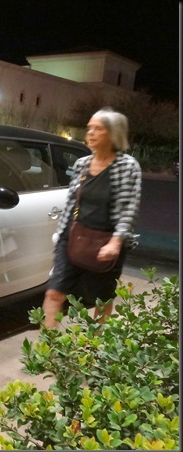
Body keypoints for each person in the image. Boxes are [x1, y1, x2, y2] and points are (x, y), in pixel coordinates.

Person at [42, 107, 142, 329]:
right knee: (54, 292)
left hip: (106, 242)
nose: (91, 133)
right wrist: (60, 236)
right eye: (89, 128)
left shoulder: (127, 166)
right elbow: (72, 203)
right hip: (74, 236)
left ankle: (96, 344)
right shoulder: (82, 164)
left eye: (98, 129)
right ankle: (47, 345)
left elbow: (128, 208)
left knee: (101, 299)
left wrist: (116, 242)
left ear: (113, 133)